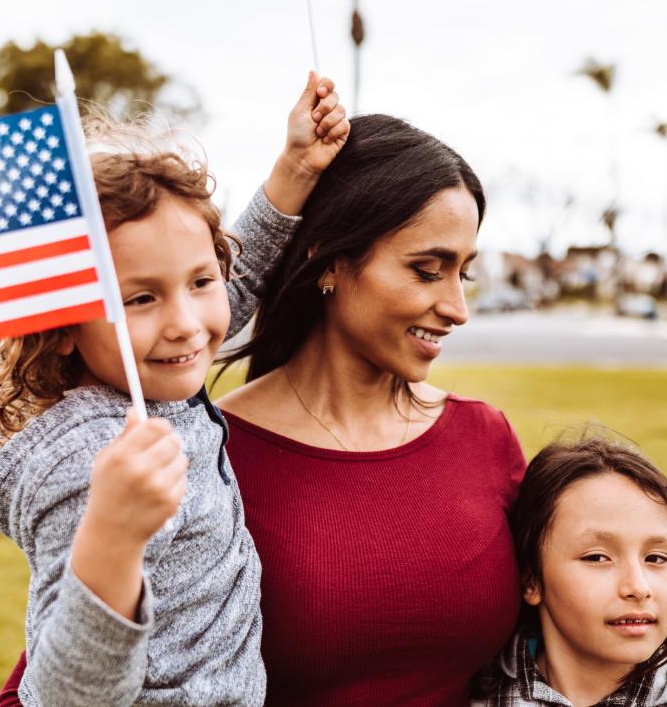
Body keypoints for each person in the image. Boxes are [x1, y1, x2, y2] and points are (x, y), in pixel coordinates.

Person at [0, 74, 348, 707]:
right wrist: (112, 533)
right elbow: (61, 694)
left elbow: (233, 281)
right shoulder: (91, 462)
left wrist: (295, 169)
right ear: (59, 328)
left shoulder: (153, 374)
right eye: (140, 298)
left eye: (199, 281)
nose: (187, 325)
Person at [217, 113, 527, 705]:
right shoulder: (215, 454)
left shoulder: (485, 437)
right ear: (330, 260)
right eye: (427, 271)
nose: (458, 308)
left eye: (463, 273)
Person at [472, 433, 667, 707]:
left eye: (656, 558)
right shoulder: (474, 696)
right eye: (597, 558)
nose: (638, 588)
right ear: (531, 580)